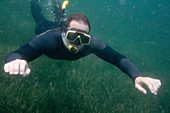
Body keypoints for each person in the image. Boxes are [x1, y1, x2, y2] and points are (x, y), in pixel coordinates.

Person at [4, 0, 161, 95]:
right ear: (65, 32)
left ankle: (59, 9)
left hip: (62, 27)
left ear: (89, 38)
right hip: (46, 28)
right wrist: (16, 60)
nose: (77, 42)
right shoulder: (48, 39)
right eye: (73, 36)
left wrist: (137, 76)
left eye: (83, 38)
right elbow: (16, 54)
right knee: (40, 19)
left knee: (59, 16)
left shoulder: (91, 44)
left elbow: (117, 58)